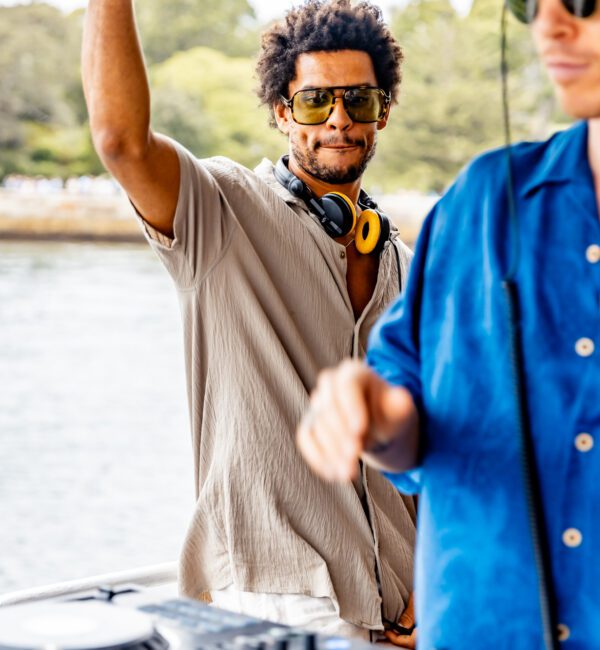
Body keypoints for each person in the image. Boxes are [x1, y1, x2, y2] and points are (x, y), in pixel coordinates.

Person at [297, 0, 600, 647]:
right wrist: (377, 415)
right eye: (529, 3)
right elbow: (408, 429)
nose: (549, 25)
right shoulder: (480, 202)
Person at [82, 0, 417, 643]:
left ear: (384, 112)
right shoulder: (219, 213)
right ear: (281, 111)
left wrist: (433, 575)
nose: (340, 121)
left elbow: (429, 438)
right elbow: (121, 142)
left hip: (405, 608)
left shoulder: (403, 263)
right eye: (317, 101)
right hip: (279, 600)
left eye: (360, 102)